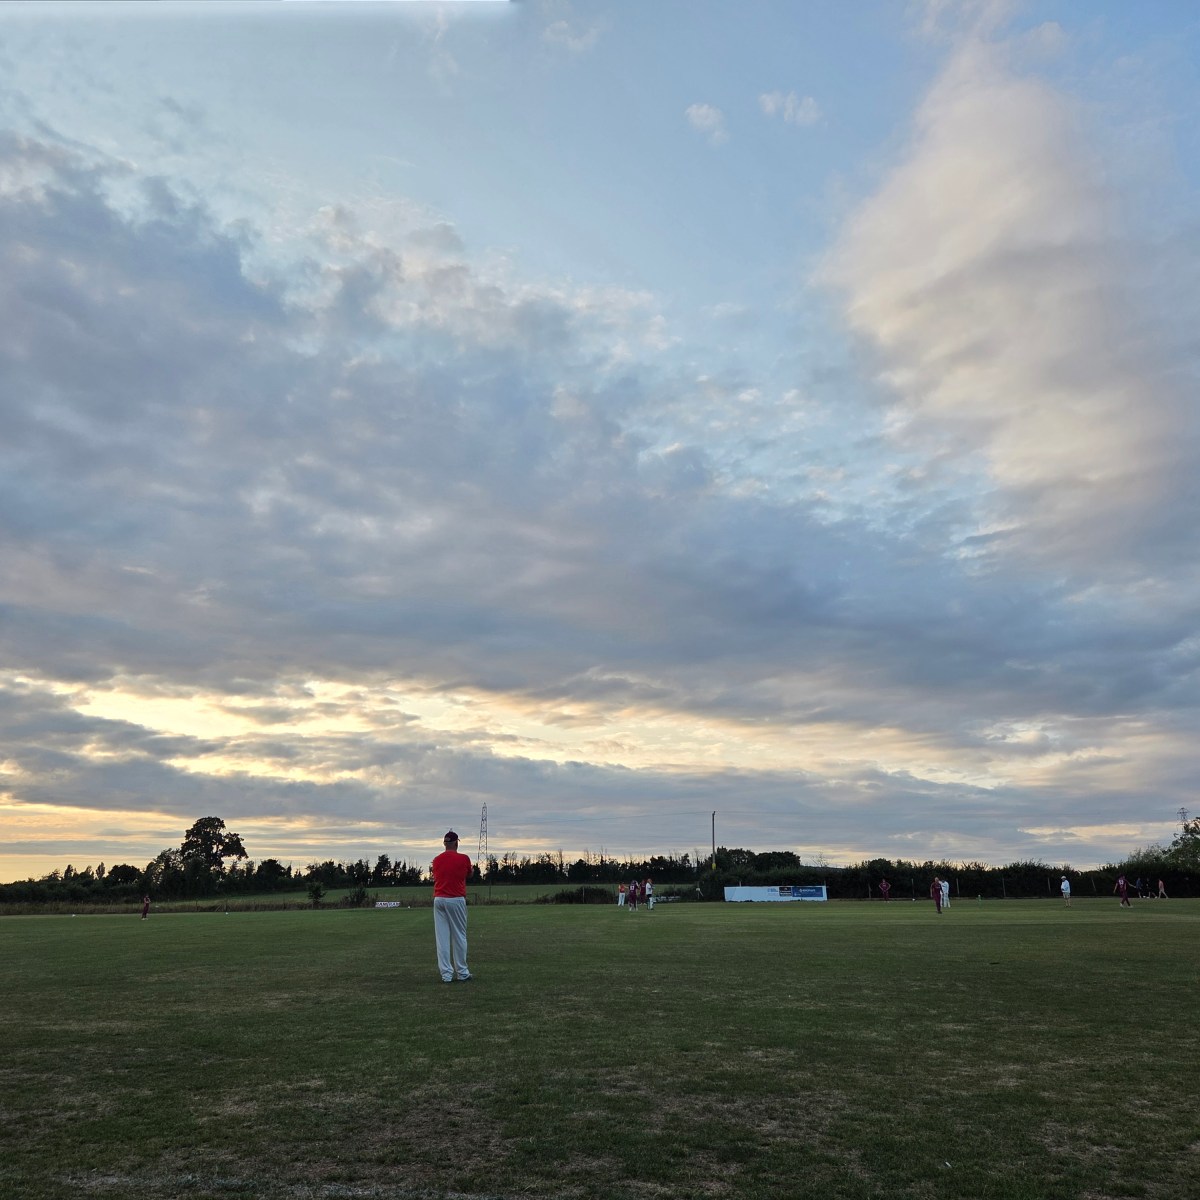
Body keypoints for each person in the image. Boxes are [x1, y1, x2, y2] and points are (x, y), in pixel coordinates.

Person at [431, 830, 472, 982]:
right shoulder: (464, 858)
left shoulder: (436, 860)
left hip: (439, 899)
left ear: (444, 843)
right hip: (456, 899)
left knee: (442, 938)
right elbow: (469, 874)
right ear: (456, 843)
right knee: (459, 936)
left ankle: (446, 974)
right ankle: (462, 972)